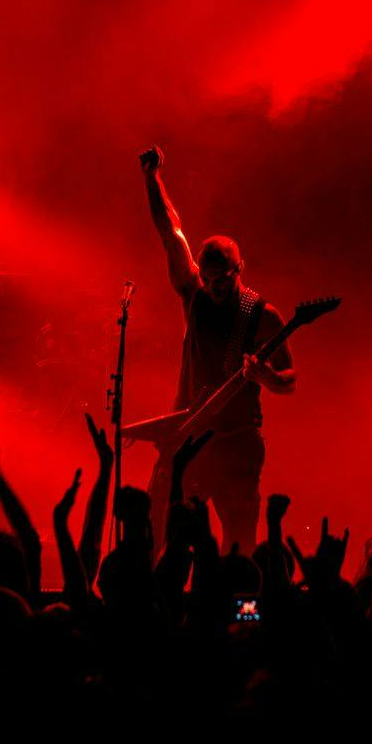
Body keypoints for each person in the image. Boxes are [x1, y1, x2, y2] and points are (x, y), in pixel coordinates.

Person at [139, 146, 295, 553]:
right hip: (191, 434)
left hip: (238, 442)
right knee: (162, 523)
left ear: (238, 270)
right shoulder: (194, 295)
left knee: (239, 540)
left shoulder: (262, 315)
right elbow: (169, 230)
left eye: (221, 280)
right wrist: (151, 177)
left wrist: (268, 378)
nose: (213, 287)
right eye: (207, 279)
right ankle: (163, 605)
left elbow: (289, 379)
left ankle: (244, 615)